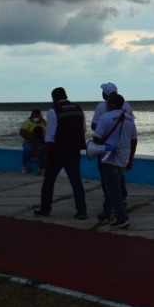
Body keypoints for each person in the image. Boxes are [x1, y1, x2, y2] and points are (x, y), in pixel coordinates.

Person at [34, 87, 89, 219]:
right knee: (76, 181)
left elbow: (50, 135)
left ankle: (45, 209)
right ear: (66, 95)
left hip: (58, 152)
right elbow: (83, 129)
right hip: (74, 151)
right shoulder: (78, 109)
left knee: (49, 181)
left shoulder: (54, 111)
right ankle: (81, 211)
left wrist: (46, 155)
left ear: (54, 98)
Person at [94, 93, 138, 230]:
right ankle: (105, 214)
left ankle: (122, 217)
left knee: (113, 189)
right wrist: (130, 158)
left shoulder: (105, 117)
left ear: (112, 104)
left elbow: (97, 138)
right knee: (112, 186)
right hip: (122, 158)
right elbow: (134, 140)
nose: (106, 105)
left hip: (108, 158)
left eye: (108, 103)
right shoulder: (130, 119)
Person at [92, 82, 135, 199]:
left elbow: (94, 126)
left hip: (107, 147)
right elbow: (132, 129)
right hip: (124, 147)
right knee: (119, 173)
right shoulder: (127, 105)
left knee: (106, 175)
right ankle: (122, 196)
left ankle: (111, 201)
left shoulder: (101, 107)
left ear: (105, 95)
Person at [19, 109, 46, 174]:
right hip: (29, 140)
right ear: (31, 115)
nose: (36, 117)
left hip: (42, 141)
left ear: (40, 116)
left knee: (43, 150)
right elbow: (21, 133)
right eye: (34, 116)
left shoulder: (44, 122)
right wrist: (32, 138)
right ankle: (24, 166)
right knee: (28, 149)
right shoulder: (26, 122)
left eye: (38, 116)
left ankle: (41, 168)